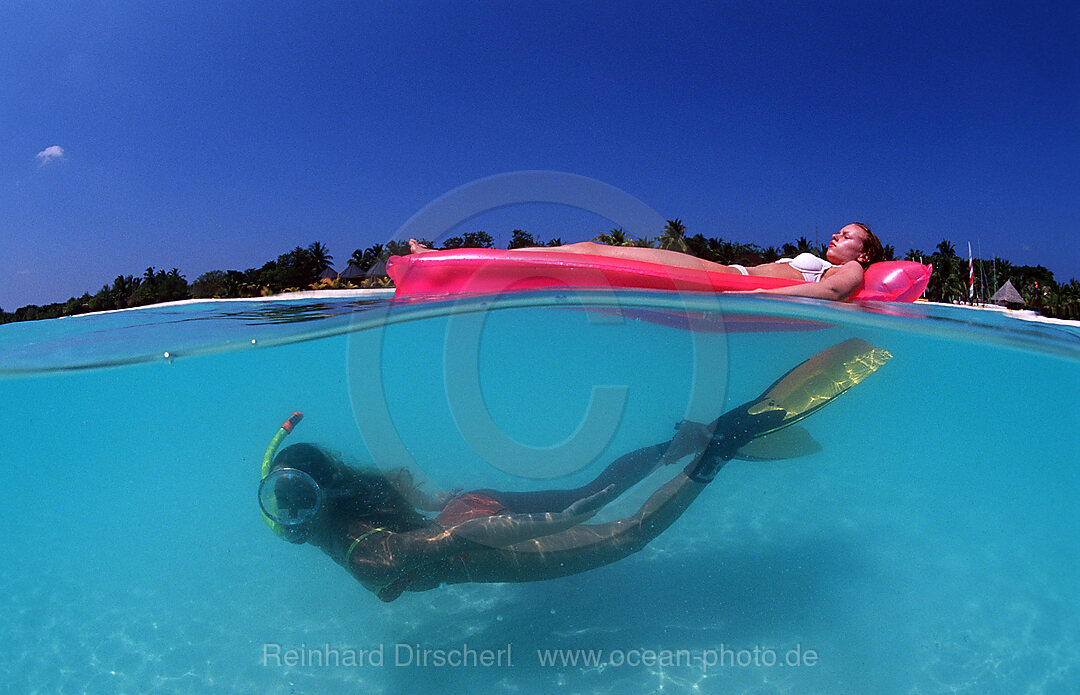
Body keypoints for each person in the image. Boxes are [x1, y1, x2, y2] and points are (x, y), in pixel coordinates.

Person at [258, 338, 891, 602]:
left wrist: (473, 524)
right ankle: (685, 442)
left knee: (619, 528)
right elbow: (425, 498)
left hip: (467, 543)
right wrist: (456, 510)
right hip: (462, 516)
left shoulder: (343, 537)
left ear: (327, 486)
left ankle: (717, 447)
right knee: (592, 493)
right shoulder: (335, 507)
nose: (290, 512)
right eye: (280, 499)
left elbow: (413, 552)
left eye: (293, 494)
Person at [408, 223, 886, 301]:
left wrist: (762, 293)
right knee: (587, 250)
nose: (835, 236)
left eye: (846, 236)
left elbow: (832, 293)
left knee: (589, 254)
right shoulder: (832, 261)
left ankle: (444, 261)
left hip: (730, 282)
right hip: (724, 274)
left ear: (863, 252)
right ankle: (449, 259)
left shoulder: (850, 270)